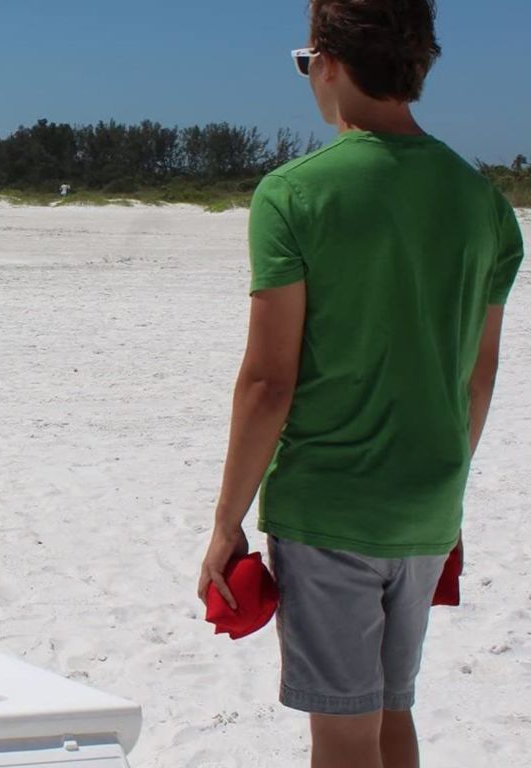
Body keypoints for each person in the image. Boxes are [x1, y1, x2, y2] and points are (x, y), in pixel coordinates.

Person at [195, 2, 523, 766]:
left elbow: (268, 383)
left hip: (334, 506)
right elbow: (477, 377)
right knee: (389, 711)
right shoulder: (485, 207)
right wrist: (449, 491)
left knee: (343, 735)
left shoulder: (295, 194)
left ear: (331, 63)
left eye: (305, 64)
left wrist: (225, 523)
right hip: (430, 503)